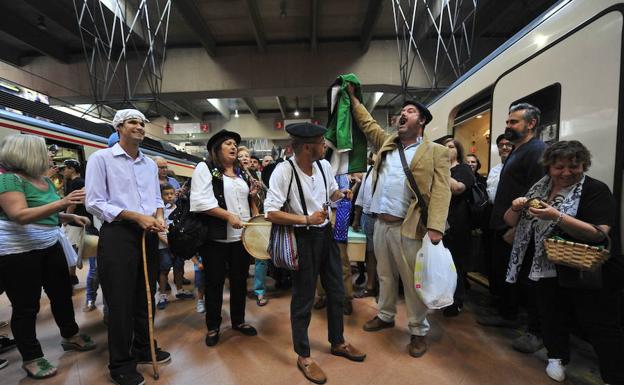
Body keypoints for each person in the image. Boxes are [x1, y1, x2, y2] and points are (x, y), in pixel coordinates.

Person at [503, 141, 624, 384]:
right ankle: (556, 357)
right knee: (551, 314)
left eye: (574, 166)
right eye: (559, 167)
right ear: (548, 167)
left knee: (599, 323)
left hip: (586, 267)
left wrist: (556, 216)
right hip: (547, 264)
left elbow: (598, 233)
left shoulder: (595, 189)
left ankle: (614, 375)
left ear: (583, 165)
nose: (567, 172)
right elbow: (509, 221)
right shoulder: (539, 189)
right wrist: (516, 208)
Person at [348, 85, 451, 358]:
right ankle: (385, 314)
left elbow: (442, 190)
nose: (402, 114)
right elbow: (367, 123)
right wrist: (353, 99)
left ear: (422, 121)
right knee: (384, 275)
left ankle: (418, 330)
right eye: (401, 111)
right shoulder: (387, 143)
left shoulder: (436, 152)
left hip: (410, 226)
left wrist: (436, 228)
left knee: (412, 281)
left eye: (410, 111)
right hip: (380, 224)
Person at [265, 122, 366, 384]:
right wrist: (306, 219)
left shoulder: (324, 166)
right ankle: (304, 355)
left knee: (336, 291)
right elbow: (271, 212)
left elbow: (330, 192)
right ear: (308, 147)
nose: (325, 146)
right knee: (303, 297)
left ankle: (338, 341)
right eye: (322, 142)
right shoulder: (283, 171)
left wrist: (339, 193)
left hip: (325, 235)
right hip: (303, 237)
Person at [0, 134, 96, 379]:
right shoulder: (9, 181)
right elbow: (19, 214)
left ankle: (70, 334)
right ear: (29, 153)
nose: (50, 155)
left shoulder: (42, 179)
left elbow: (41, 212)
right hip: (18, 251)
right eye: (45, 150)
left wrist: (68, 216)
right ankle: (31, 357)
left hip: (48, 243)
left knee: (62, 292)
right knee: (26, 305)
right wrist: (63, 203)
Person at [86, 109, 171, 385]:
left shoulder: (148, 164)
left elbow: (156, 197)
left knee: (145, 295)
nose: (140, 127)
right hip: (118, 235)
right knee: (120, 300)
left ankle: (144, 348)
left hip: (146, 234)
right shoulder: (101, 159)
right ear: (119, 127)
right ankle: (121, 362)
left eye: (142, 123)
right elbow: (95, 203)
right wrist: (135, 216)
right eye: (133, 122)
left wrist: (158, 217)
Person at [478, 102, 547, 355]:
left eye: (514, 122)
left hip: (520, 230)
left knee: (529, 282)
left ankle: (535, 331)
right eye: (507, 122)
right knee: (506, 276)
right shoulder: (518, 150)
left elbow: (537, 194)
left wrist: (517, 229)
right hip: (503, 224)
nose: (508, 126)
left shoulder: (537, 150)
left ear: (531, 124)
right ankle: (507, 314)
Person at [190, 129, 259, 347]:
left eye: (235, 144)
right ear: (217, 148)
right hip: (216, 239)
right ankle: (213, 325)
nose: (233, 147)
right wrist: (228, 215)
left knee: (240, 281)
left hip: (242, 238)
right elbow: (200, 202)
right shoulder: (206, 168)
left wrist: (253, 196)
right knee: (214, 283)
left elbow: (248, 203)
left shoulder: (241, 172)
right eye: (228, 143)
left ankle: (238, 321)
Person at [442, 138, 475, 317]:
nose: (447, 149)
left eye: (451, 146)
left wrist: (442, 171)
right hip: (440, 222)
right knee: (443, 263)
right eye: (444, 147)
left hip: (458, 223)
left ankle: (457, 300)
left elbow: (458, 188)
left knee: (456, 263)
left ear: (458, 150)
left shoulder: (463, 169)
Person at [156, 184, 194, 310]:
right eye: (166, 194)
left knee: (179, 267)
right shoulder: (159, 211)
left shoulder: (178, 208)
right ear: (160, 196)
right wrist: (168, 242)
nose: (170, 196)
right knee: (164, 269)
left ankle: (179, 290)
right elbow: (157, 230)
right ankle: (162, 295)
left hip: (178, 246)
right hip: (164, 246)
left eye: (171, 193)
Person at [352, 152, 378, 298]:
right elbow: (361, 197)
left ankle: (379, 285)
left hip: (383, 219)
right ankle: (371, 286)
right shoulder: (369, 171)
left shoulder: (388, 172)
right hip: (367, 217)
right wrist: (356, 218)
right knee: (369, 254)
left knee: (381, 255)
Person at [486, 134, 513, 203]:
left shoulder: (519, 168)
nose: (504, 147)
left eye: (508, 144)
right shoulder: (493, 170)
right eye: (501, 145)